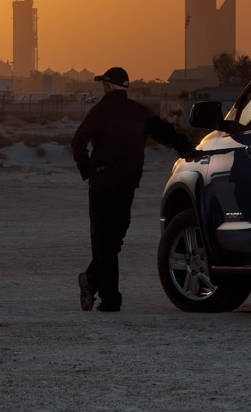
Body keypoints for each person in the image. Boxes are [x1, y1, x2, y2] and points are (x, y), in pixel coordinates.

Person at [71, 66, 193, 312]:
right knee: (114, 240)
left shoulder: (100, 111)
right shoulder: (140, 113)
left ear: (108, 85)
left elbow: (78, 142)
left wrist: (89, 170)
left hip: (102, 185)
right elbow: (167, 133)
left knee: (104, 242)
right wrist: (188, 151)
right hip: (127, 185)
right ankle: (107, 295)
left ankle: (97, 287)